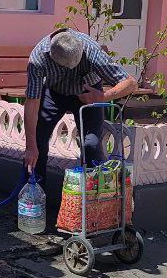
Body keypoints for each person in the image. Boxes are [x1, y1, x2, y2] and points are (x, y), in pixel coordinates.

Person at [23, 29, 137, 194]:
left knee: (91, 144)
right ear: (52, 57)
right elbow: (32, 102)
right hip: (54, 93)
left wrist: (102, 96)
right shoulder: (38, 58)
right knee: (37, 143)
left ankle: (93, 200)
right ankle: (34, 197)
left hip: (90, 95)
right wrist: (30, 146)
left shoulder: (92, 51)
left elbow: (131, 83)